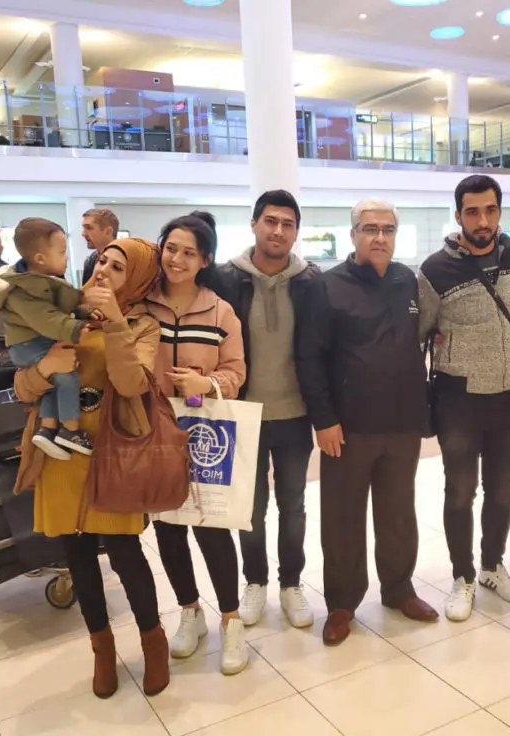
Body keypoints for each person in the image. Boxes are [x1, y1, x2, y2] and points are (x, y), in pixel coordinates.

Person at [12, 237, 168, 699]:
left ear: (137, 280)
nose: (102, 271)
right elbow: (22, 388)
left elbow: (132, 382)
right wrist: (45, 370)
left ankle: (153, 642)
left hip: (113, 454)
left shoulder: (143, 326)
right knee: (77, 556)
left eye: (118, 268)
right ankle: (102, 649)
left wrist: (117, 323)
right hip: (59, 451)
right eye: (102, 261)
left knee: (125, 553)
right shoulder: (59, 312)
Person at [298, 199, 438, 646]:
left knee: (398, 514)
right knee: (342, 517)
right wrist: (323, 418)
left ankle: (399, 589)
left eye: (388, 229)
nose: (380, 237)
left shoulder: (407, 281)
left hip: (401, 423)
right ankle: (342, 602)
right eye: (371, 228)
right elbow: (309, 356)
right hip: (348, 426)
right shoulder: (327, 287)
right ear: (353, 233)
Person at [418, 174, 510, 622]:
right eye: (472, 211)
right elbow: (419, 334)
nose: (482, 220)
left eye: (490, 210)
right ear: (458, 214)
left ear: (499, 211)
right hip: (458, 398)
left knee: (501, 492)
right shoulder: (434, 270)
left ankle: (491, 566)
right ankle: (462, 576)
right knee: (461, 492)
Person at [145, 211, 250, 675]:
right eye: (171, 248)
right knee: (168, 528)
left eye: (189, 252)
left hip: (203, 435)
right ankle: (190, 610)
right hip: (150, 432)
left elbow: (237, 371)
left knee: (211, 527)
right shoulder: (141, 305)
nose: (177, 259)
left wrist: (206, 383)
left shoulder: (220, 311)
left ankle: (231, 620)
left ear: (205, 260)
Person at [213, 190, 320, 630]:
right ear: (254, 224)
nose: (278, 231)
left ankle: (291, 582)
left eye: (288, 224)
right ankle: (254, 581)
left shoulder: (311, 282)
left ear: (296, 231)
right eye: (270, 221)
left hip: (294, 414)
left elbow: (322, 348)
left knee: (292, 505)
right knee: (250, 509)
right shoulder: (224, 279)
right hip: (244, 416)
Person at [0, 218, 92, 459]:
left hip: (36, 342)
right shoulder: (26, 289)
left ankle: (48, 428)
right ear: (40, 258)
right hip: (32, 344)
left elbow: (59, 309)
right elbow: (47, 319)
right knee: (66, 378)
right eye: (62, 252)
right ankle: (71, 430)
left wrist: (81, 313)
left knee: (52, 384)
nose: (67, 257)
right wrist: (76, 328)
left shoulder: (41, 282)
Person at [81, 208, 119, 285]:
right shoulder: (90, 261)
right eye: (83, 228)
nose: (83, 233)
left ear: (108, 231)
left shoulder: (127, 262)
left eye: (89, 228)